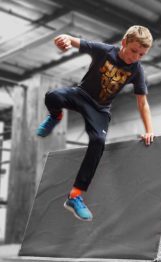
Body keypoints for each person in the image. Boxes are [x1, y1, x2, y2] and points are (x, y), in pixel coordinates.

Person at [36, 25, 154, 221]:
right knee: (53, 96)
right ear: (123, 42)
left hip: (100, 109)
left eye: (141, 54)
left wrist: (149, 130)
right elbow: (78, 42)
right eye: (133, 51)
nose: (135, 57)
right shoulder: (106, 51)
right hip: (81, 95)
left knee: (98, 141)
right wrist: (65, 38)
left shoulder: (137, 71)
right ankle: (55, 116)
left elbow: (142, 103)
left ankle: (75, 196)